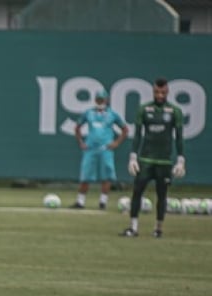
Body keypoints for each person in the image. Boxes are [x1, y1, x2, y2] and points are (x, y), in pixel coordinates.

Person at [121, 78, 187, 238]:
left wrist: (180, 159)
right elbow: (137, 134)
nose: (160, 95)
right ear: (153, 91)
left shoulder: (175, 111)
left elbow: (179, 137)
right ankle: (133, 227)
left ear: (167, 92)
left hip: (164, 160)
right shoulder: (144, 109)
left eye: (163, 92)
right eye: (157, 91)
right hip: (146, 159)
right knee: (137, 192)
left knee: (162, 194)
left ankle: (158, 229)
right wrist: (133, 157)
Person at [71, 89, 128, 210]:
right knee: (85, 175)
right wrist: (81, 142)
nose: (100, 101)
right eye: (98, 99)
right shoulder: (89, 113)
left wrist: (116, 143)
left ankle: (103, 202)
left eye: (102, 99)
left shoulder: (112, 114)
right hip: (90, 148)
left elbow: (125, 129)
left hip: (106, 148)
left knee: (106, 175)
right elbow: (77, 126)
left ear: (106, 100)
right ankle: (80, 201)